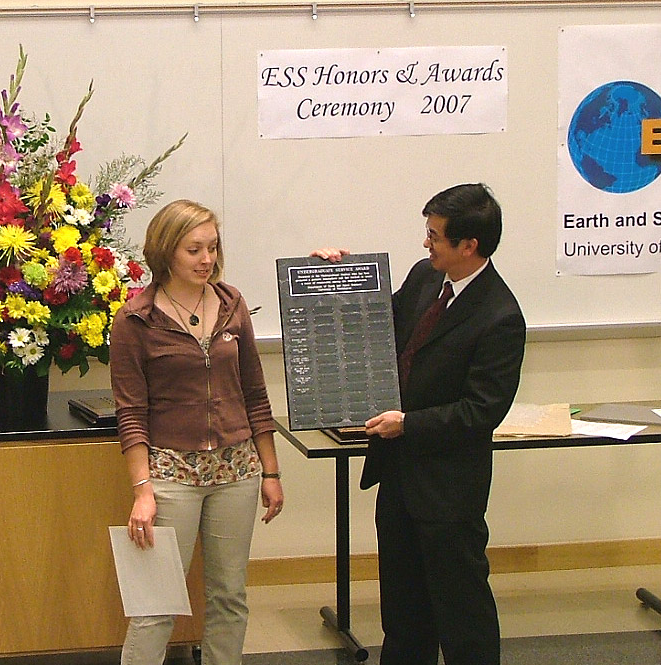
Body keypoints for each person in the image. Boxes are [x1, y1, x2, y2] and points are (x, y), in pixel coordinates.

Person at [313, 183, 525, 665]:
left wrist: (409, 424)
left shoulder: (500, 316)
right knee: (403, 608)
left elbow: (482, 410)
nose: (424, 243)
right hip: (399, 476)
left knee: (460, 608)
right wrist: (336, 275)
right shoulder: (424, 279)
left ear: (469, 245)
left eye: (434, 235)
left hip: (449, 488)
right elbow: (374, 325)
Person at [110, 199, 284, 665]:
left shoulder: (232, 304)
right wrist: (142, 490)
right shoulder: (134, 320)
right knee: (155, 606)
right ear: (166, 252)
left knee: (229, 596)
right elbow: (131, 413)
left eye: (212, 247)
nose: (207, 259)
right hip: (171, 475)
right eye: (194, 249)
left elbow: (255, 393)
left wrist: (270, 471)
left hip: (237, 470)